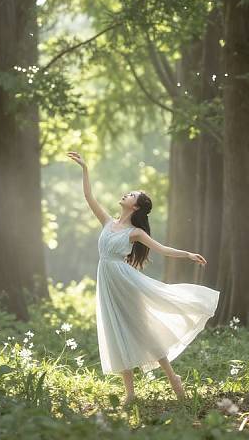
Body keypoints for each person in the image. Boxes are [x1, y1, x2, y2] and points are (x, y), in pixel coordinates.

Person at [67, 151, 220, 406]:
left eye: (131, 195)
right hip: (107, 282)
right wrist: (85, 169)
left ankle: (174, 380)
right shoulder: (107, 222)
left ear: (135, 206)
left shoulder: (135, 232)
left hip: (125, 282)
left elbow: (162, 249)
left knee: (142, 329)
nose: (126, 195)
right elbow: (88, 197)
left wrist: (188, 254)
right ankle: (129, 392)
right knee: (115, 328)